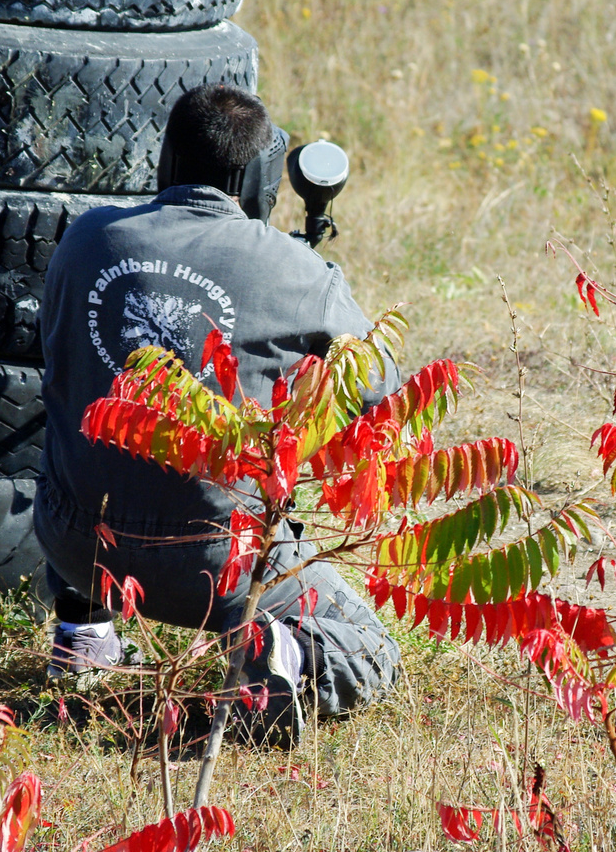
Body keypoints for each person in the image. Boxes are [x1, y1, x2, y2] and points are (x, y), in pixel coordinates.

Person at [34, 83, 402, 748]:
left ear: (167, 162)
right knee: (372, 654)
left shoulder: (84, 238)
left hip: (77, 541)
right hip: (216, 567)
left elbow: (56, 369)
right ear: (258, 177)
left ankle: (84, 635)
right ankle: (262, 685)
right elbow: (380, 386)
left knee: (75, 398)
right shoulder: (297, 270)